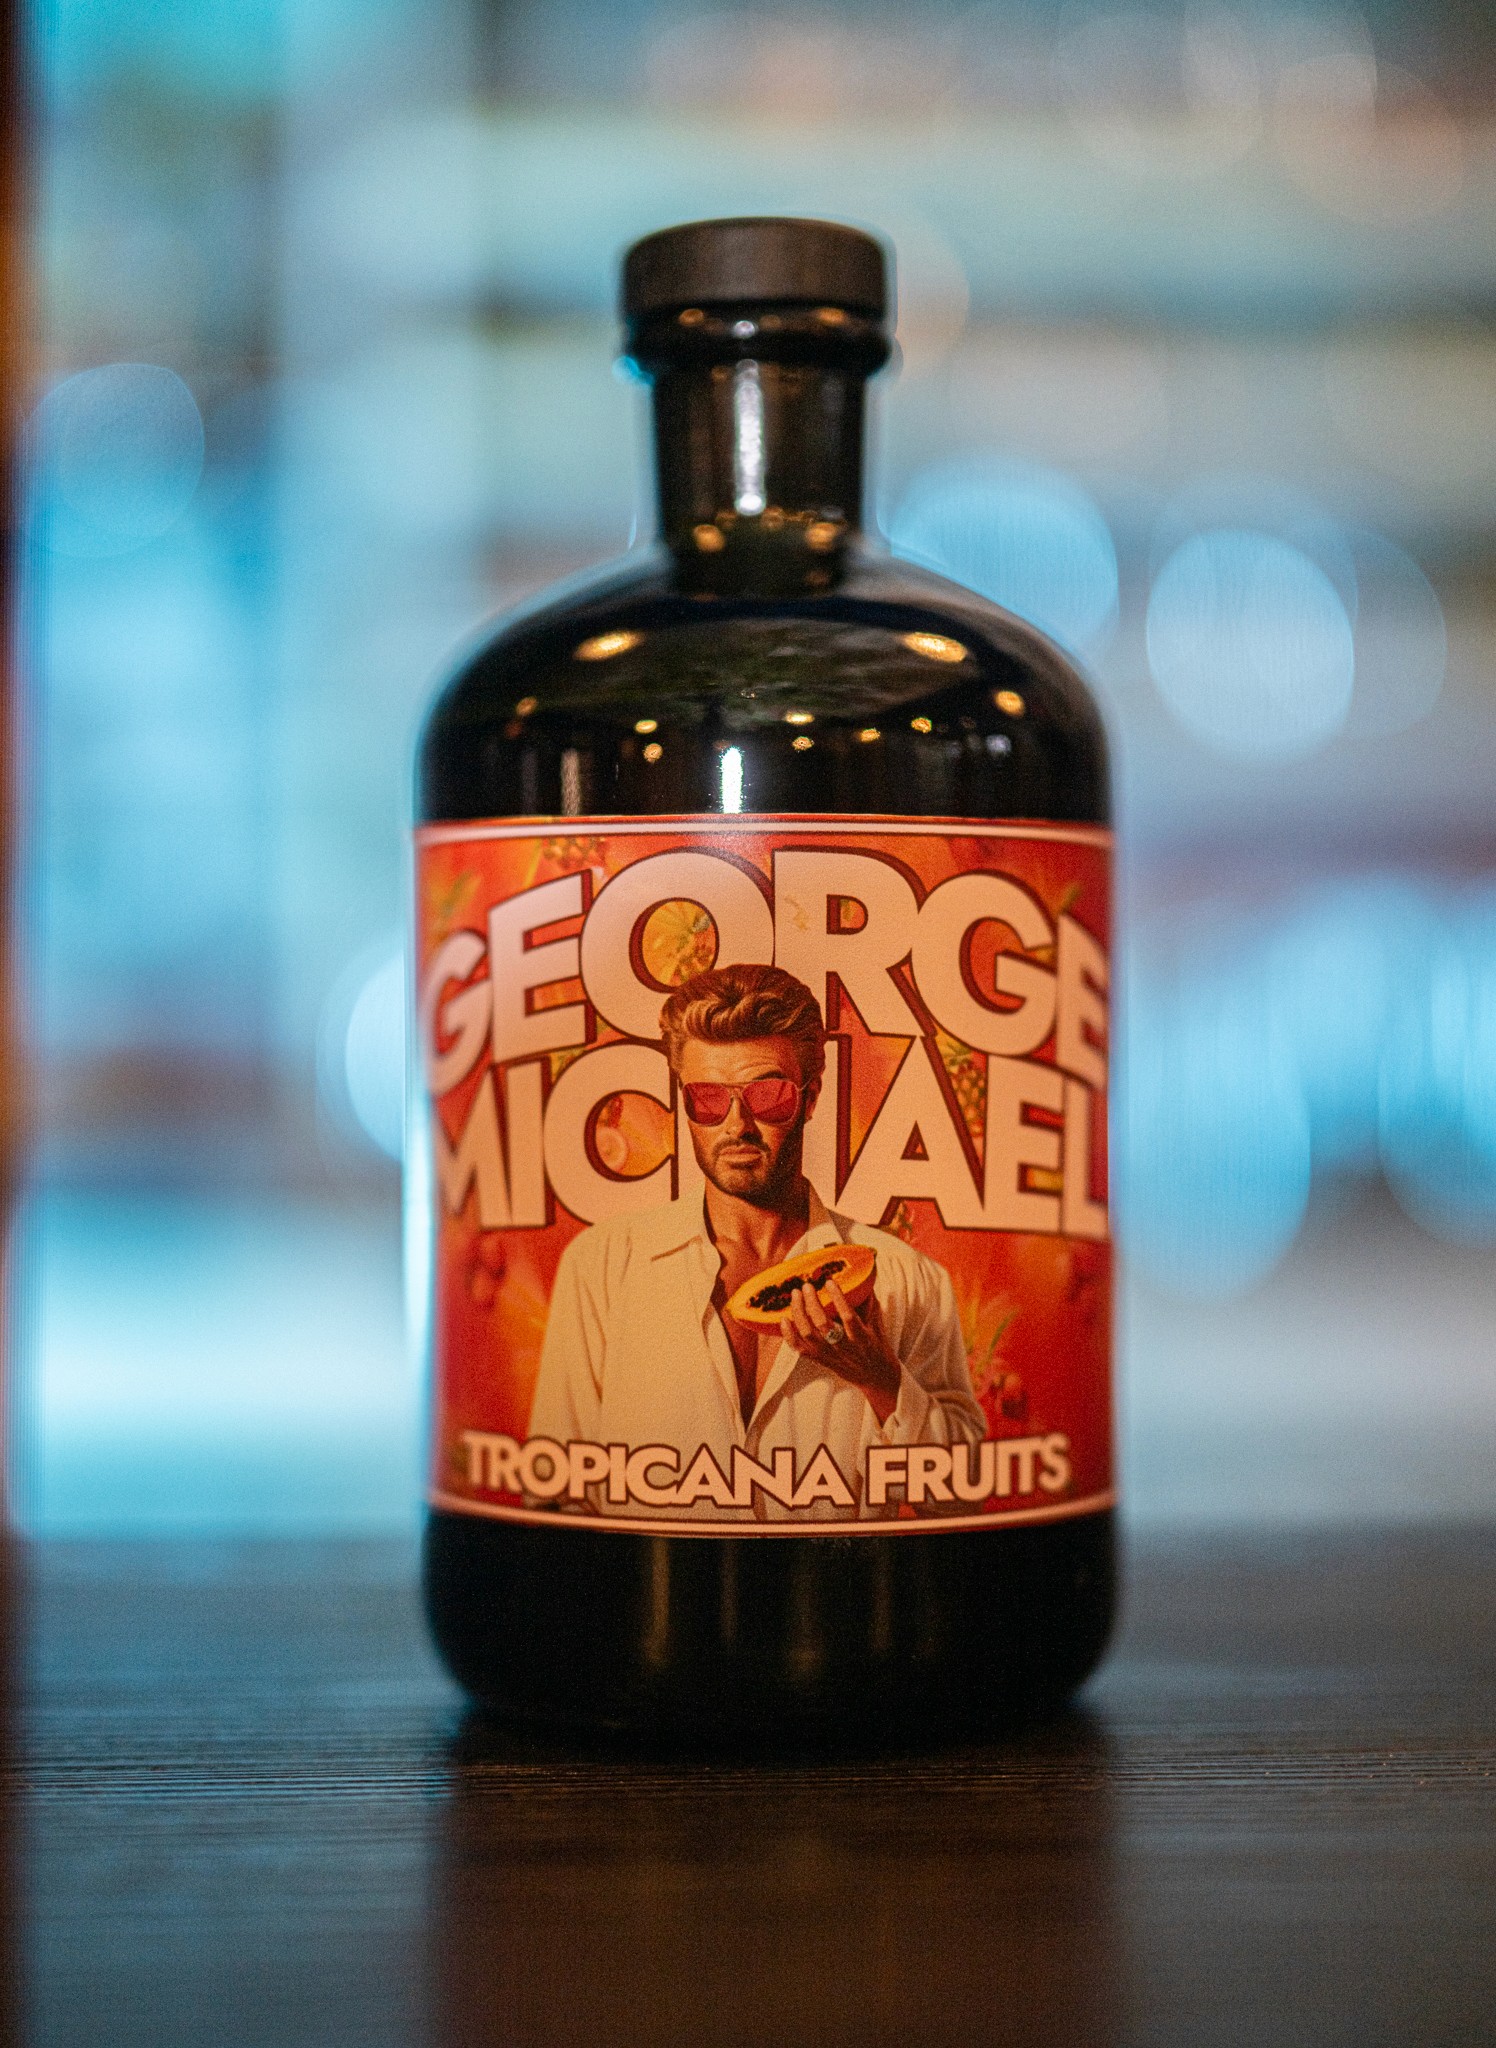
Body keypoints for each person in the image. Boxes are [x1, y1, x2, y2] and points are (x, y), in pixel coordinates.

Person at [528, 962, 983, 1521]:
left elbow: (963, 1496)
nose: (736, 1125)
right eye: (708, 1099)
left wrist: (880, 1379)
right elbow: (554, 1494)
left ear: (810, 1098)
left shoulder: (907, 1279)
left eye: (767, 1096)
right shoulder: (602, 1268)